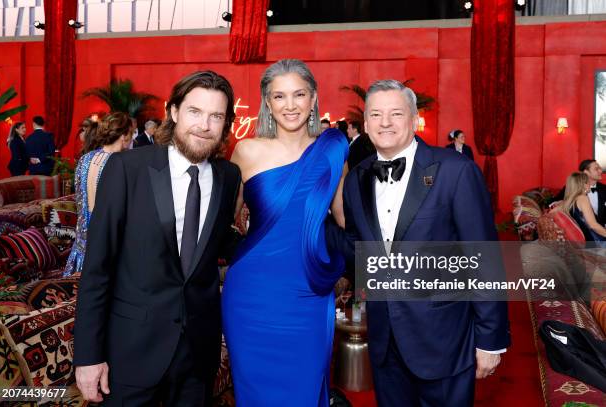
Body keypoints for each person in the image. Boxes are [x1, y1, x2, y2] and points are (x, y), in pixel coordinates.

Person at [73, 70, 241, 406]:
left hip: (198, 354)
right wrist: (88, 357)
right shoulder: (126, 169)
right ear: (174, 111)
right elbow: (97, 268)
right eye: (195, 112)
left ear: (226, 124)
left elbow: (217, 245)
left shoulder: (228, 177)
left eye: (216, 116)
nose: (204, 125)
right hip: (132, 352)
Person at [342, 80, 510, 406]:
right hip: (385, 342)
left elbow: (484, 257)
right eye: (376, 115)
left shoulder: (455, 171)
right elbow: (357, 248)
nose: (385, 123)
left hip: (444, 339)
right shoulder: (356, 179)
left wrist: (490, 340)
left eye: (395, 113)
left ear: (414, 119)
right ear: (365, 124)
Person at [222, 59, 348, 406]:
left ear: (313, 98)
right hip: (251, 295)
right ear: (267, 102)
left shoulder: (334, 149)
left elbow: (346, 223)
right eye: (279, 96)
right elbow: (225, 224)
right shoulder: (246, 151)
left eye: (299, 94)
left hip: (308, 291)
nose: (290, 105)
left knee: (305, 392)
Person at [63, 113, 132, 277]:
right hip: (106, 245)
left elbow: (79, 197)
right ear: (123, 136)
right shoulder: (122, 163)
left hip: (83, 242)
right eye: (131, 133)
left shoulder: (85, 159)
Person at [559, 172, 606, 246]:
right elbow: (593, 225)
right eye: (588, 182)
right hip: (596, 242)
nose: (590, 185)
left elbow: (550, 213)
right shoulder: (583, 198)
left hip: (585, 243)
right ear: (583, 185)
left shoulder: (567, 201)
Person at [555, 159, 606, 225]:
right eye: (596, 169)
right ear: (586, 172)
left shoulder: (604, 189)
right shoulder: (573, 187)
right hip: (581, 229)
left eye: (600, 168)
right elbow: (553, 203)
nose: (600, 171)